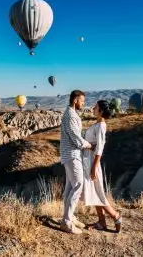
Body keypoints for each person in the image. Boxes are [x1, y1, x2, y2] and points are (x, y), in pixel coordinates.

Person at [82, 100, 122, 232]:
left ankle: (115, 216)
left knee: (97, 193)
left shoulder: (101, 126)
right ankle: (101, 222)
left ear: (101, 111)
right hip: (89, 160)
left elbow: (100, 147)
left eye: (96, 107)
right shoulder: (98, 124)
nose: (93, 108)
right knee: (95, 192)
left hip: (92, 161)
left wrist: (94, 166)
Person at [59, 90, 93, 234]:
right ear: (75, 100)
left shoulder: (70, 114)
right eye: (82, 101)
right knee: (78, 185)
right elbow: (76, 139)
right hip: (72, 155)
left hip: (69, 155)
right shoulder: (71, 116)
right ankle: (66, 222)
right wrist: (89, 145)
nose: (83, 104)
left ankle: (69, 217)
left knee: (69, 188)